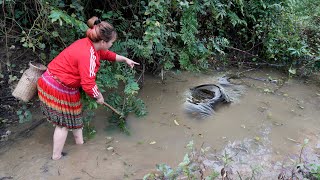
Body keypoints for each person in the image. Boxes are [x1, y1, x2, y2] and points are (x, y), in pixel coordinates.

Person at [37, 16, 139, 160]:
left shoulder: (90, 44)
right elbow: (88, 84)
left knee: (74, 116)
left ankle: (81, 145)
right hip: (56, 85)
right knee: (63, 124)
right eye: (111, 42)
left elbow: (104, 54)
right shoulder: (88, 55)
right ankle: (56, 157)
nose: (111, 45)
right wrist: (98, 96)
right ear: (103, 42)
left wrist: (124, 59)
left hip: (61, 84)